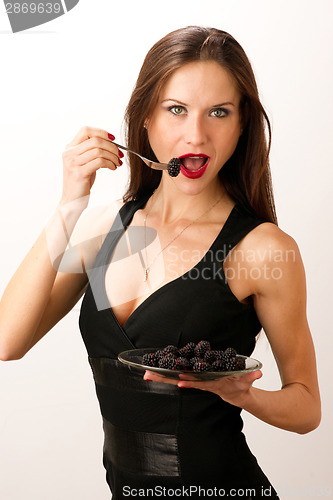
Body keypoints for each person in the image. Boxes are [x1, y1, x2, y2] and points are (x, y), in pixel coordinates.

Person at [0, 26, 321, 499]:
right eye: (176, 109)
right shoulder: (101, 228)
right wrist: (70, 202)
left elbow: (307, 406)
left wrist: (246, 395)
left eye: (219, 112)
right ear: (146, 118)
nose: (196, 134)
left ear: (241, 124)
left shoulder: (264, 249)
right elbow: (8, 341)